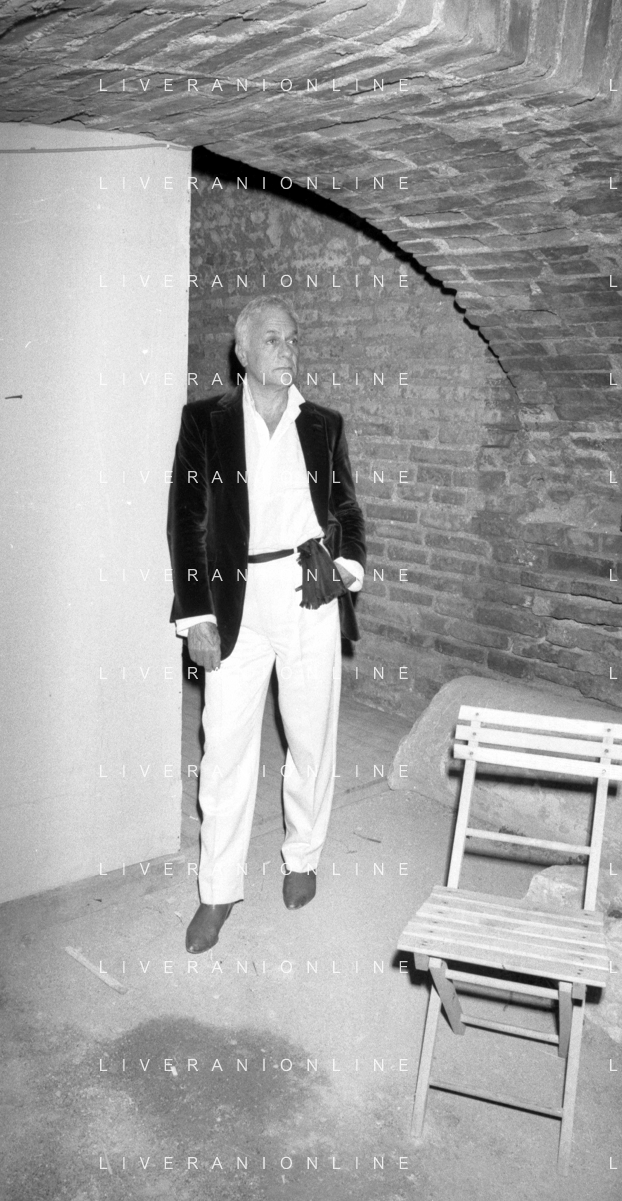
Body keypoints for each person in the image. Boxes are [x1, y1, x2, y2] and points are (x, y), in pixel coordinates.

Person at [167, 295, 366, 953]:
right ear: (243, 352)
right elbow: (187, 520)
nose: (288, 350)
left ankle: (302, 855)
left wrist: (346, 566)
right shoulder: (206, 421)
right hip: (235, 598)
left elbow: (346, 508)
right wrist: (196, 614)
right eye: (274, 340)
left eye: (294, 339)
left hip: (308, 591)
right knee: (224, 744)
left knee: (310, 735)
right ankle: (217, 890)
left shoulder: (324, 424)